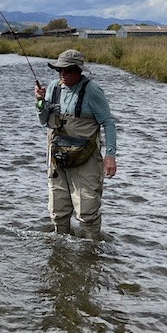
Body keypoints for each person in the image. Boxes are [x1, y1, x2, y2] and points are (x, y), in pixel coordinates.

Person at [34, 49, 117, 240]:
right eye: (59, 70)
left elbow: (109, 122)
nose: (63, 73)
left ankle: (93, 250)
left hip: (86, 159)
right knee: (58, 210)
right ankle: (61, 248)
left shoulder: (92, 91)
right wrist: (39, 102)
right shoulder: (53, 88)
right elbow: (43, 119)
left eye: (68, 70)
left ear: (79, 71)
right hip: (57, 157)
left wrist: (110, 156)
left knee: (87, 211)